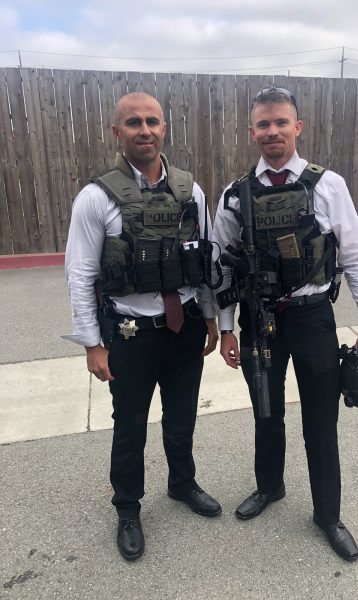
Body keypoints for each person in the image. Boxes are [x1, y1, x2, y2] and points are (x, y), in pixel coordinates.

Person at [212, 87, 358, 561]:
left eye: (281, 123)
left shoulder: (328, 185)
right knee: (266, 412)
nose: (272, 132)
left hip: (311, 319)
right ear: (252, 132)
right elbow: (221, 269)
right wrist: (226, 328)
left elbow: (356, 255)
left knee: (320, 423)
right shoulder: (233, 194)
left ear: (297, 127)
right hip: (256, 320)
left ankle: (328, 515)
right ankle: (270, 488)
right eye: (263, 125)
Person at [64, 92, 221, 562]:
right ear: (118, 133)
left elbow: (204, 258)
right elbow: (80, 274)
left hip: (186, 325)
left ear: (164, 128)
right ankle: (128, 507)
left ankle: (182, 483)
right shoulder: (97, 197)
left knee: (182, 416)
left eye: (152, 121)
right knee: (130, 425)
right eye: (133, 123)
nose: (144, 130)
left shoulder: (190, 191)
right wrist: (92, 343)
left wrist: (211, 317)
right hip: (131, 333)